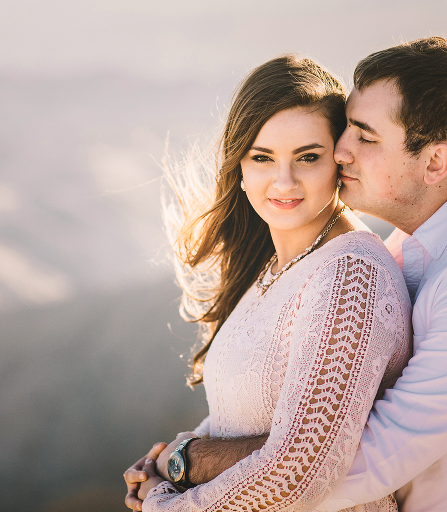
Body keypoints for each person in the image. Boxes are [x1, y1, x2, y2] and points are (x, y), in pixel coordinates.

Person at [127, 37, 447, 511]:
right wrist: (181, 454)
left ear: (436, 161)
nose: (341, 150)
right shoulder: (415, 245)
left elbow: (340, 465)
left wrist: (177, 478)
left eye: (364, 136)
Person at [124, 55, 413, 512]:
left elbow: (299, 468)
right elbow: (248, 414)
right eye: (262, 158)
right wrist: (173, 457)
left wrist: (165, 502)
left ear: (339, 161)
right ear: (239, 167)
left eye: (308, 157)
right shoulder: (279, 264)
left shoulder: (350, 274)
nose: (284, 181)